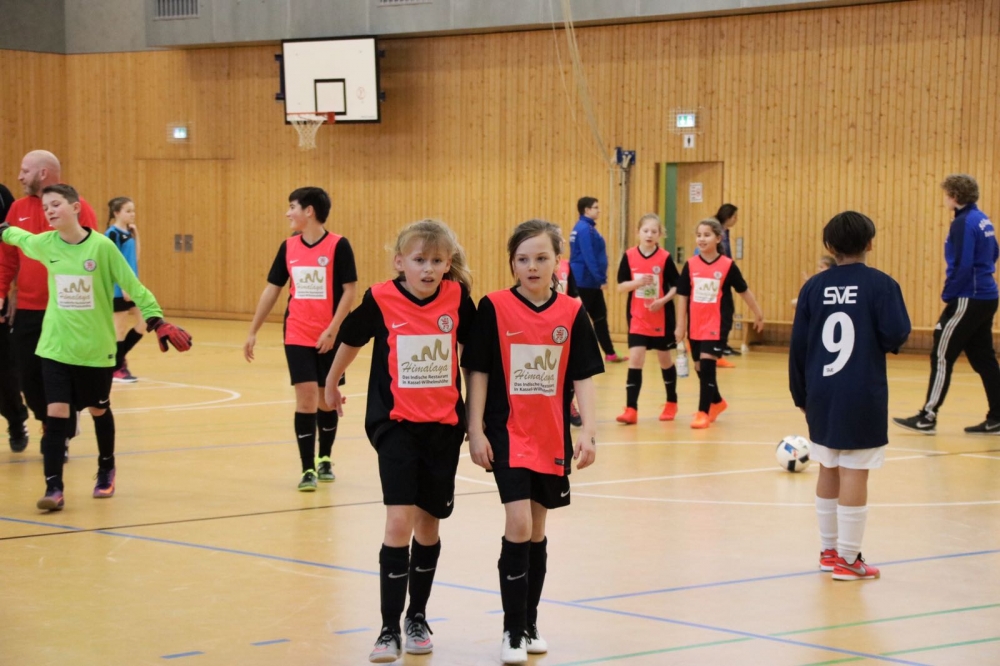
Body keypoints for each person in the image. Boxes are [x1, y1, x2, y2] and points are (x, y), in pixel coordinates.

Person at [323, 219, 474, 663]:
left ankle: (417, 616)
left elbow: (477, 356)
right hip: (395, 426)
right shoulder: (382, 298)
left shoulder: (458, 298)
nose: (427, 269)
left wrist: (480, 419)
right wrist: (332, 382)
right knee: (397, 525)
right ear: (400, 262)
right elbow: (351, 338)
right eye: (419, 260)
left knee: (428, 526)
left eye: (436, 261)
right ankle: (388, 628)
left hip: (444, 428)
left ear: (448, 264)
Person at [0, 184, 192, 511]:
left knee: (98, 410)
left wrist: (157, 320)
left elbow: (135, 288)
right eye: (46, 206)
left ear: (76, 208)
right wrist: (3, 229)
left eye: (56, 204)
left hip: (95, 351)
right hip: (55, 347)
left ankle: (106, 468)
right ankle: (54, 488)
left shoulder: (102, 248)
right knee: (56, 412)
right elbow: (16, 237)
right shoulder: (45, 244)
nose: (49, 210)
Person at [463, 219, 603, 665]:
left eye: (541, 258)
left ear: (556, 261)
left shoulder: (572, 313)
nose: (532, 266)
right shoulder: (495, 307)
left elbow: (582, 375)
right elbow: (478, 372)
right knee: (519, 524)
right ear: (512, 264)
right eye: (523, 259)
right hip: (508, 433)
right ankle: (510, 630)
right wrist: (476, 428)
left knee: (538, 531)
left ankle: (529, 621)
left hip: (550, 436)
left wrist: (589, 432)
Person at [790, 211, 911, 580]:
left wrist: (801, 393)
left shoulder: (813, 287)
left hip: (821, 393)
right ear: (870, 243)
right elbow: (897, 333)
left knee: (828, 465)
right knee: (856, 469)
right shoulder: (881, 284)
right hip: (862, 392)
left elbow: (799, 345)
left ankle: (829, 551)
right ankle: (848, 558)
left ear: (829, 246)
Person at [244, 187, 357, 490]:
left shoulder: (338, 246)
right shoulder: (288, 247)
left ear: (309, 211)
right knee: (306, 398)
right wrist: (253, 330)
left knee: (326, 399)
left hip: (330, 336)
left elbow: (349, 290)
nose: (287, 213)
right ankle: (307, 468)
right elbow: (273, 289)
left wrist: (333, 329)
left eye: (292, 206)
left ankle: (324, 458)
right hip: (296, 333)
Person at [0, 151, 99, 453]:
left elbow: (94, 254)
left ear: (43, 173)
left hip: (68, 310)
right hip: (29, 310)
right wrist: (2, 291)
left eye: (24, 170)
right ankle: (48, 421)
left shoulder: (78, 208)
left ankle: (58, 435)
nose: (19, 177)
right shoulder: (17, 209)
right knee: (29, 378)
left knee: (63, 376)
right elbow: (7, 259)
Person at [893, 174, 1000, 435]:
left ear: (954, 195)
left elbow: (963, 263)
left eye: (946, 194)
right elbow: (995, 251)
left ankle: (927, 416)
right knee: (983, 358)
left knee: (941, 353)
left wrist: (949, 292)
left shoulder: (963, 223)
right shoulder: (982, 218)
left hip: (968, 296)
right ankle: (997, 417)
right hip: (986, 295)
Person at [674, 218, 764, 429]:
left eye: (706, 235)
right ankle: (717, 402)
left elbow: (744, 291)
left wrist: (758, 313)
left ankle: (703, 412)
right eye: (698, 235)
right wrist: (680, 325)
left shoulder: (727, 266)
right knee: (698, 366)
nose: (701, 239)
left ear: (718, 238)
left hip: (717, 323)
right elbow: (682, 297)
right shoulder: (690, 265)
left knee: (706, 365)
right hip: (696, 324)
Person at [615, 213, 680, 424]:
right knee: (635, 359)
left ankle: (671, 402)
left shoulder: (664, 257)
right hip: (637, 317)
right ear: (638, 233)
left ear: (660, 234)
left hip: (661, 317)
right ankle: (631, 409)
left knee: (665, 360)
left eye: (654, 231)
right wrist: (637, 283)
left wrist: (663, 300)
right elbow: (620, 286)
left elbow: (678, 286)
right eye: (646, 231)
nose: (649, 235)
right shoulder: (629, 256)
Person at [569, 196, 625, 362]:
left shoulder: (586, 228)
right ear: (587, 210)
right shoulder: (585, 229)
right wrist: (601, 278)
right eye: (596, 207)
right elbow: (589, 256)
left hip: (590, 282)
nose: (598, 210)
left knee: (600, 316)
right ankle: (574, 355)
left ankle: (609, 353)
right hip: (585, 282)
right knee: (580, 320)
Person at [0, 181, 29, 451]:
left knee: (5, 371)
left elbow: (13, 247)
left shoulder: (1, 196)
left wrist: (15, 289)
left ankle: (16, 420)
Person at [105, 197, 145, 383]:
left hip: (131, 286)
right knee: (119, 329)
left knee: (145, 322)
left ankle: (119, 360)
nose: (132, 214)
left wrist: (136, 237)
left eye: (133, 210)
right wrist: (123, 287)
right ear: (116, 213)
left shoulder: (128, 233)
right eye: (128, 211)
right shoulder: (111, 234)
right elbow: (111, 264)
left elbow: (134, 259)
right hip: (118, 289)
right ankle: (116, 368)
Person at [555, 254, 583, 427]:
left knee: (570, 368)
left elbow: (574, 293)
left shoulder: (566, 266)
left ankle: (568, 403)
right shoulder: (539, 269)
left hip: (564, 326)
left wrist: (582, 319)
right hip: (544, 327)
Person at [714, 203, 740, 365]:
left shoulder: (725, 232)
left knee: (727, 312)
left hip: (726, 275)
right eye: (735, 216)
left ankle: (722, 345)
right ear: (728, 216)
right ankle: (719, 347)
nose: (736, 220)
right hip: (717, 278)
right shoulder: (717, 232)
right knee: (723, 313)